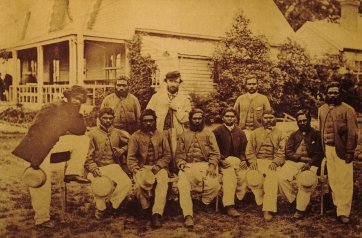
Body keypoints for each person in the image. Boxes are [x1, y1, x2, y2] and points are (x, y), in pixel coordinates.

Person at [12, 85, 91, 228]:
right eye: (75, 97)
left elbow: (79, 132)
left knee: (84, 140)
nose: (77, 101)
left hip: (52, 145)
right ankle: (42, 219)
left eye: (81, 99)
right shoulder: (52, 107)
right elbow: (34, 130)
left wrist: (79, 115)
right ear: (67, 96)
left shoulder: (72, 112)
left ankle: (72, 173)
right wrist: (36, 159)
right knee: (42, 182)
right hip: (37, 147)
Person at [318, 81, 358, 224]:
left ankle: (343, 212)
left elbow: (353, 133)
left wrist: (349, 151)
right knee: (333, 179)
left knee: (344, 181)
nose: (333, 95)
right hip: (328, 150)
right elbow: (321, 129)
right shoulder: (322, 109)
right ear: (326, 94)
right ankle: (336, 206)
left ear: (340, 93)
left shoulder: (348, 110)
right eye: (330, 92)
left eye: (336, 92)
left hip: (342, 150)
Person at [175, 109, 221, 228]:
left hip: (205, 165)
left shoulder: (209, 134)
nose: (197, 121)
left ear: (202, 119)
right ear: (190, 120)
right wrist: (181, 164)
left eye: (199, 118)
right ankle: (188, 215)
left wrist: (212, 165)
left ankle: (204, 202)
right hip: (188, 166)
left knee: (214, 184)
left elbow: (215, 153)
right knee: (183, 185)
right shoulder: (183, 135)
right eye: (194, 119)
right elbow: (179, 155)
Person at [127, 109, 171, 229]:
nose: (148, 123)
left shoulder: (161, 135)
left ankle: (156, 213)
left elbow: (167, 155)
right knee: (138, 183)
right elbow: (131, 158)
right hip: (142, 167)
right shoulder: (135, 136)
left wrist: (158, 166)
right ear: (141, 122)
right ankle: (145, 208)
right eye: (145, 121)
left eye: (151, 121)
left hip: (158, 167)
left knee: (163, 181)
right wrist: (136, 170)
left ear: (155, 121)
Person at [85, 107, 132, 219]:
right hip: (96, 167)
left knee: (126, 183)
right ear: (99, 119)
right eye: (104, 118)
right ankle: (101, 209)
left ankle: (112, 204)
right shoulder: (92, 134)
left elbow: (131, 143)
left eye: (110, 118)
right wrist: (93, 168)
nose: (108, 120)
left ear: (113, 119)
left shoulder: (117, 133)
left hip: (113, 166)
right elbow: (86, 155)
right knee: (101, 184)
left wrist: (122, 150)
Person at [278, 109, 324, 219]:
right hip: (295, 162)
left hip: (311, 163)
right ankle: (295, 200)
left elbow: (319, 153)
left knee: (305, 180)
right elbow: (288, 152)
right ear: (297, 122)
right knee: (281, 177)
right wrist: (299, 158)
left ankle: (300, 209)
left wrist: (309, 163)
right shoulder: (293, 135)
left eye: (304, 120)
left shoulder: (317, 134)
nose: (302, 123)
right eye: (300, 121)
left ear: (309, 120)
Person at [245, 109, 285, 221]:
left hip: (272, 162)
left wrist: (276, 162)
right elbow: (249, 150)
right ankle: (261, 198)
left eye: (271, 117)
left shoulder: (280, 133)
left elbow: (282, 151)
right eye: (266, 118)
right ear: (262, 119)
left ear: (274, 119)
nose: (268, 120)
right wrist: (252, 161)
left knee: (271, 178)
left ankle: (268, 209)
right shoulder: (255, 133)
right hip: (258, 161)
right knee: (252, 177)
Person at [213, 108, 248, 217]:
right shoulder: (217, 131)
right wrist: (221, 160)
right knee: (229, 175)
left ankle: (239, 198)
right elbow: (214, 150)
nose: (230, 118)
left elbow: (244, 149)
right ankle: (229, 205)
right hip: (224, 162)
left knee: (244, 174)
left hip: (237, 160)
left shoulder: (240, 132)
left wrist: (243, 160)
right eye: (227, 116)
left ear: (235, 118)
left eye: (232, 116)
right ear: (223, 117)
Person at [147, 70, 191, 135]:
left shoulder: (185, 99)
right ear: (166, 81)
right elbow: (148, 114)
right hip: (159, 133)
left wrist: (177, 109)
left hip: (177, 134)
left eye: (175, 81)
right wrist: (150, 130)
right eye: (170, 81)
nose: (173, 84)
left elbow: (187, 119)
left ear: (179, 83)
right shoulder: (156, 97)